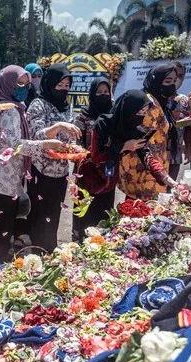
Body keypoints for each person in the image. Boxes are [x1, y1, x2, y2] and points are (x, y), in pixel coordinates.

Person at [0, 65, 66, 271]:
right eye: (20, 83)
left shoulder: (6, 105)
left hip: (0, 178)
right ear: (8, 83)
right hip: (2, 181)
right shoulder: (9, 111)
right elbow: (15, 145)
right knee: (2, 233)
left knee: (0, 231)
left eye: (27, 84)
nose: (25, 88)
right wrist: (45, 145)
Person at [96, 66, 179, 201]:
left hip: (153, 164)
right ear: (156, 80)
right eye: (168, 81)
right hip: (142, 169)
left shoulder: (160, 101)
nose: (172, 85)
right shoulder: (148, 105)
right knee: (138, 210)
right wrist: (161, 173)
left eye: (174, 81)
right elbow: (140, 142)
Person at [26, 64, 81, 252]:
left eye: (67, 85)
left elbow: (70, 133)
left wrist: (73, 147)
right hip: (40, 169)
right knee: (39, 214)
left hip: (62, 170)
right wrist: (57, 126)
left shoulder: (67, 106)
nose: (64, 89)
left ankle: (49, 250)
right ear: (50, 84)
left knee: (54, 213)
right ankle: (36, 252)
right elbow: (34, 135)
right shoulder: (38, 104)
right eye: (60, 85)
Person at [72, 77, 114, 241]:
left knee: (104, 206)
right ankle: (82, 241)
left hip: (108, 168)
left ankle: (102, 241)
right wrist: (90, 157)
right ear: (92, 94)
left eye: (106, 92)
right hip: (87, 170)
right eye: (99, 92)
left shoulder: (114, 113)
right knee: (85, 206)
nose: (103, 95)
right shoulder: (83, 116)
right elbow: (77, 144)